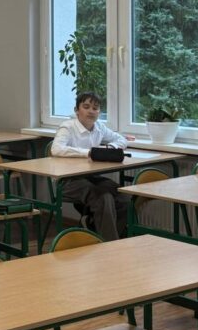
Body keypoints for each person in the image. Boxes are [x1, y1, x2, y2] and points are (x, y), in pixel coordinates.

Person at [50, 91, 135, 241]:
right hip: (67, 181)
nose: (91, 111)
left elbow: (121, 140)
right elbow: (56, 149)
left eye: (95, 108)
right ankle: (110, 245)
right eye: (86, 107)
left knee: (124, 197)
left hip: (90, 176)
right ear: (76, 110)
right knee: (104, 197)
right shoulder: (67, 127)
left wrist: (109, 148)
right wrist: (89, 152)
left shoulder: (99, 127)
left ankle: (95, 230)